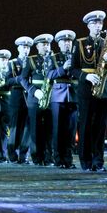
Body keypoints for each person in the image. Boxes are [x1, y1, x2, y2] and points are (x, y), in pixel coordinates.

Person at [74, 11, 107, 172]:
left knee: (101, 126)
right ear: (88, 25)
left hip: (103, 88)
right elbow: (74, 69)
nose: (98, 26)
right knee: (86, 124)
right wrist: (86, 76)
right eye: (95, 24)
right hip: (86, 88)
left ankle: (99, 161)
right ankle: (85, 161)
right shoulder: (80, 43)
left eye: (100, 23)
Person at [48, 30, 80, 169]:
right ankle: (58, 159)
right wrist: (62, 69)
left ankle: (68, 159)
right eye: (64, 41)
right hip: (58, 96)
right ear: (59, 44)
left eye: (69, 41)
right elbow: (49, 74)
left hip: (73, 95)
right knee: (58, 129)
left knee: (71, 130)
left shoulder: (76, 57)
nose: (67, 43)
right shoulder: (53, 57)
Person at [22, 33, 55, 165]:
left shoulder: (53, 59)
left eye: (48, 44)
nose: (46, 47)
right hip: (35, 97)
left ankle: (48, 157)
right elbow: (23, 79)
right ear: (37, 46)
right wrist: (33, 91)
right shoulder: (31, 60)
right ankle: (37, 157)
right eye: (43, 44)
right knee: (35, 129)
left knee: (49, 129)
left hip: (50, 96)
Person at [7, 37, 34, 163]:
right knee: (15, 127)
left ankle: (23, 155)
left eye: (28, 47)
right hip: (16, 96)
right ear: (18, 48)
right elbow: (7, 81)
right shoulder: (12, 63)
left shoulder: (32, 62)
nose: (26, 50)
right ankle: (12, 154)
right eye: (24, 47)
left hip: (28, 96)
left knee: (27, 127)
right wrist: (18, 79)